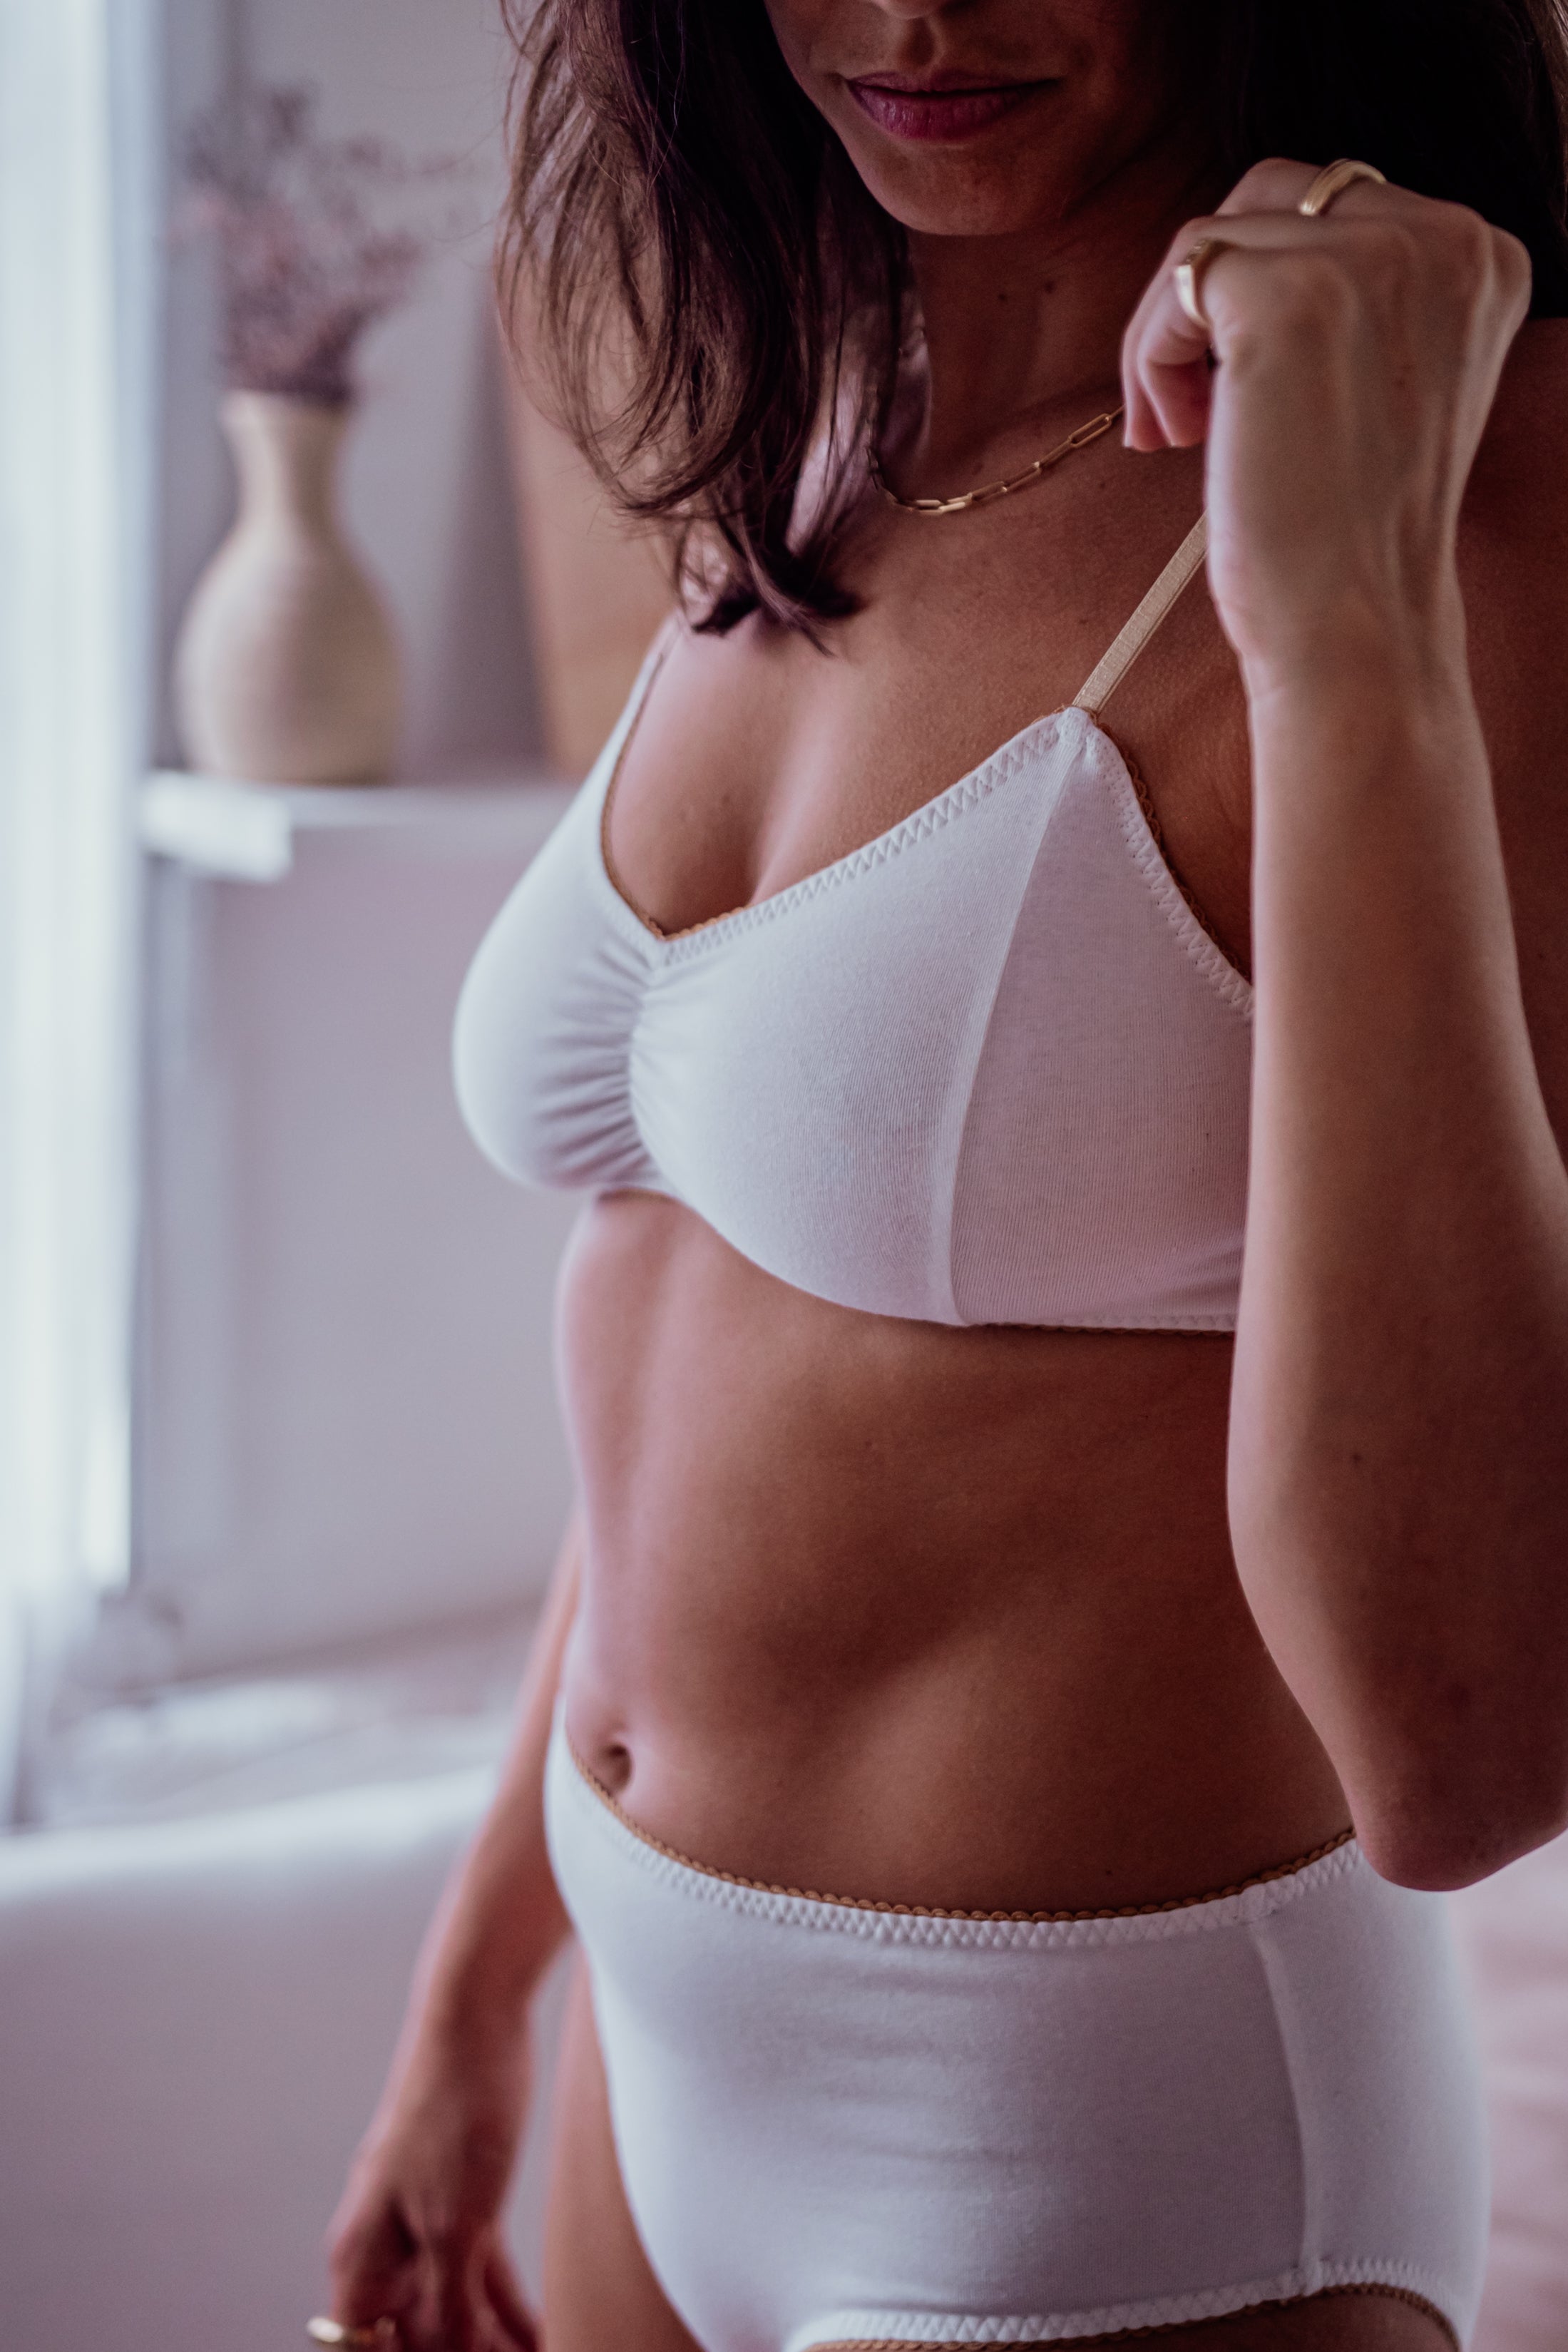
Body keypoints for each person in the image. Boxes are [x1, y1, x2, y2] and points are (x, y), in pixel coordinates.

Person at [323, 4, 1568, 2347]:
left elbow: (1467, 1735)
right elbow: (693, 1346)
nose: (912, 11)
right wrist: (480, 1981)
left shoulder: (1490, 495)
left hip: (1096, 2166)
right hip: (642, 2071)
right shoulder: (835, 407)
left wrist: (1347, 637)